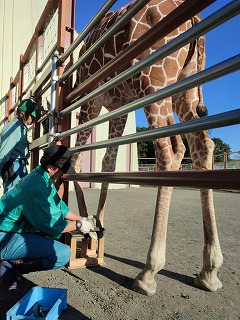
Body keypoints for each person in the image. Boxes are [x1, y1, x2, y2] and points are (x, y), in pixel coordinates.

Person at [0, 144, 97, 289]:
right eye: (62, 170)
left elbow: (60, 207)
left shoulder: (41, 177)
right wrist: (79, 226)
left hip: (11, 228)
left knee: (52, 237)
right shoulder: (36, 186)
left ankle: (11, 262)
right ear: (51, 167)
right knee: (62, 254)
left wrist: (82, 218)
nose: (63, 174)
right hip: (4, 237)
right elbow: (52, 225)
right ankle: (11, 266)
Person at [0, 98, 41, 193]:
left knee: (18, 200)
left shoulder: (21, 128)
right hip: (13, 169)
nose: (34, 119)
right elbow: (3, 154)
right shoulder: (12, 128)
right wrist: (4, 173)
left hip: (19, 167)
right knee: (12, 200)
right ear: (22, 114)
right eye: (32, 116)